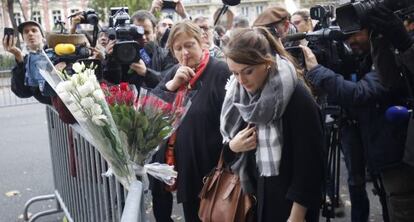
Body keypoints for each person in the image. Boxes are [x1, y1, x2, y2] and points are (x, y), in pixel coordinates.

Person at [302, 20, 414, 221]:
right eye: (346, 37)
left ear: (373, 33)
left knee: (399, 206)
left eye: (356, 34)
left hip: (395, 154)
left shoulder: (386, 56)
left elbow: (359, 93)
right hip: (371, 143)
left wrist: (317, 71)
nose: (351, 41)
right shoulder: (361, 57)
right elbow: (345, 89)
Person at [221, 27, 325, 222]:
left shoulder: (297, 97)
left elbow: (310, 164)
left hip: (287, 207)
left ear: (267, 62)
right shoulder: (239, 97)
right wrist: (233, 146)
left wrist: (296, 216)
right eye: (234, 73)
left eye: (248, 71)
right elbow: (226, 153)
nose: (241, 80)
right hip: (251, 203)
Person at [150, 20, 231, 221]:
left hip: (211, 170)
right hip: (183, 166)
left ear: (202, 42)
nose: (184, 53)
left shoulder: (220, 71)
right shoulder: (173, 72)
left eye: (189, 45)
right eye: (178, 48)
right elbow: (149, 107)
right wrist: (171, 85)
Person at [103, 10, 176, 89]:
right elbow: (111, 84)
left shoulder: (165, 55)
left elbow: (170, 81)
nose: (143, 37)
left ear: (155, 31)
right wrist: (110, 59)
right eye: (138, 33)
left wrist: (146, 73)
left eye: (147, 32)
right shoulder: (121, 53)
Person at [3, 21, 51, 104]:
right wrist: (19, 58)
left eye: (34, 30)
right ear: (23, 38)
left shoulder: (55, 51)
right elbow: (22, 92)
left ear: (43, 36)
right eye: (26, 32)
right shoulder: (25, 60)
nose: (30, 34)